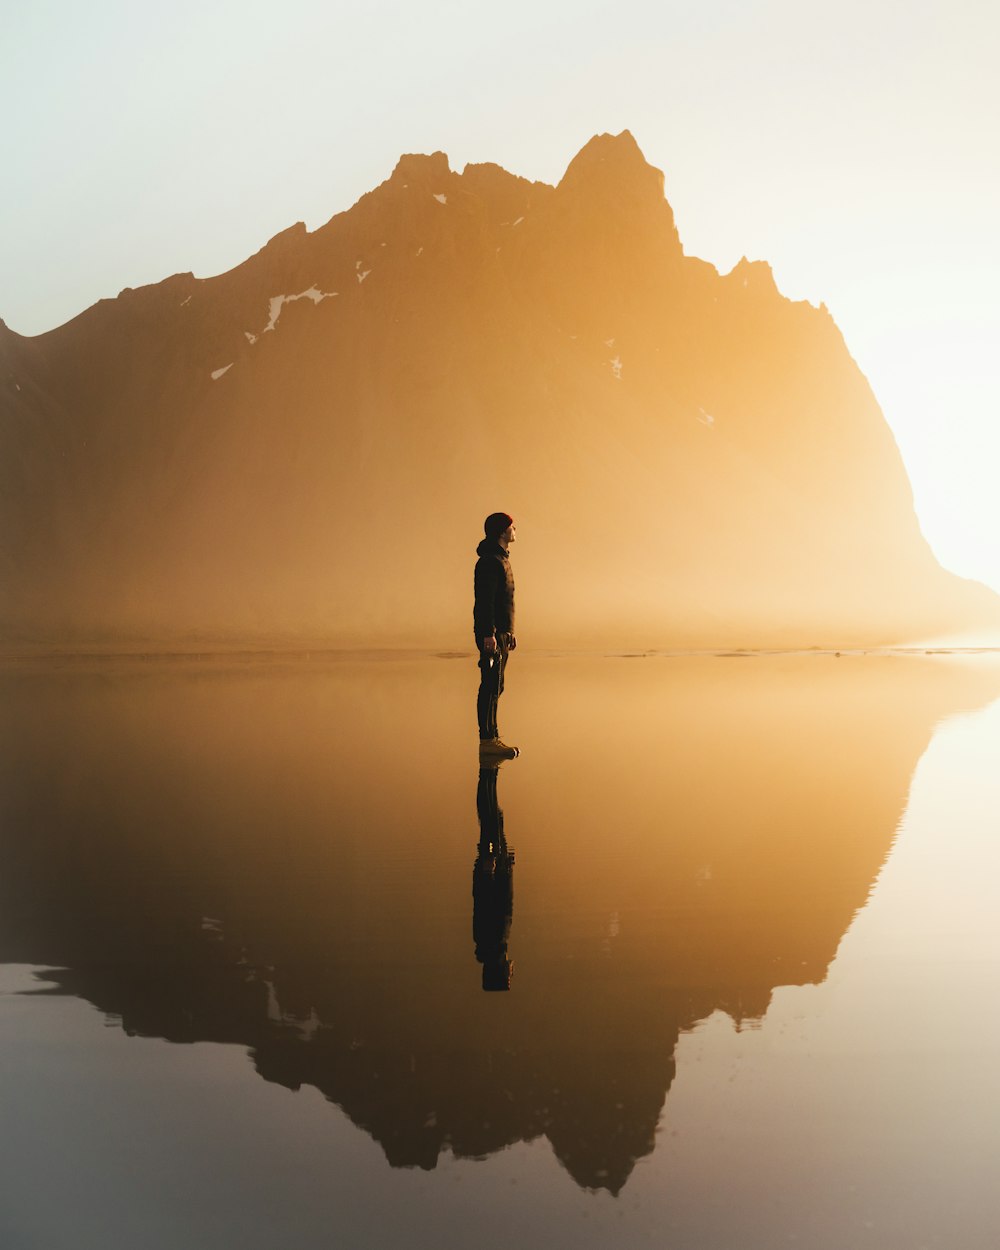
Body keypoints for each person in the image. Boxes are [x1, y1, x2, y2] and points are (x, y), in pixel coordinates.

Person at [473, 512, 518, 758]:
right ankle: (487, 739)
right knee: (490, 686)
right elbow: (485, 603)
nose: (515, 530)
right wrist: (488, 634)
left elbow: (505, 602)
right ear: (502, 531)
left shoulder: (501, 559)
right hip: (491, 635)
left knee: (497, 685)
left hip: (500, 634)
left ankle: (493, 737)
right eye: (512, 527)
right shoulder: (490, 561)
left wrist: (509, 631)